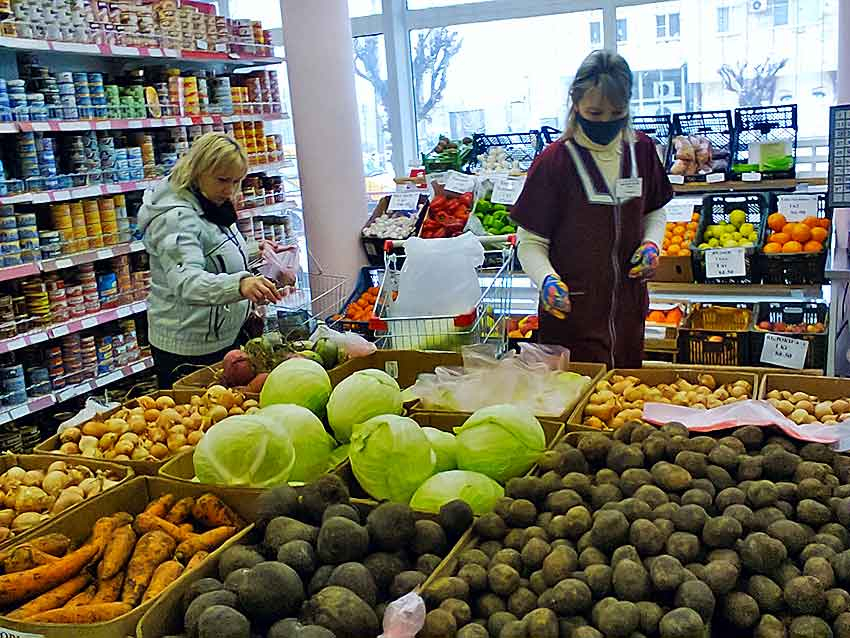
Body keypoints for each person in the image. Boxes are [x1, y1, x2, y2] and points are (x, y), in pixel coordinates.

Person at [511, 50, 672, 368]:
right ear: (576, 104)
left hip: (627, 313)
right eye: (595, 113)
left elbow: (654, 210)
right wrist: (547, 280)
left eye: (617, 112)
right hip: (571, 317)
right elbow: (529, 243)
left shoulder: (642, 151)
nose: (606, 122)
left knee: (623, 400)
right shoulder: (554, 162)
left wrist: (653, 243)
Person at [139, 132, 283, 388]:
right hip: (189, 348)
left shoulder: (210, 201)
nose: (230, 190)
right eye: (222, 180)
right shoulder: (176, 218)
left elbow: (210, 251)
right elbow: (187, 282)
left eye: (237, 181)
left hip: (223, 336)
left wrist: (254, 250)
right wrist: (240, 285)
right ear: (197, 171)